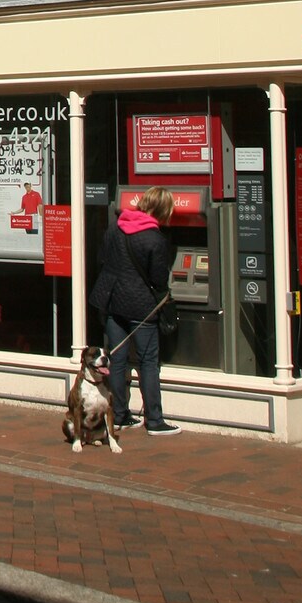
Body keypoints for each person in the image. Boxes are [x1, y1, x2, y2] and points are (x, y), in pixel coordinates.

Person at [91, 185, 181, 436]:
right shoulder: (156, 239)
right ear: (163, 210)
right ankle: (154, 420)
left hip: (112, 302)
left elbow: (102, 259)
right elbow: (159, 279)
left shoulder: (115, 228)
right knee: (148, 363)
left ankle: (119, 415)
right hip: (142, 307)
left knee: (117, 360)